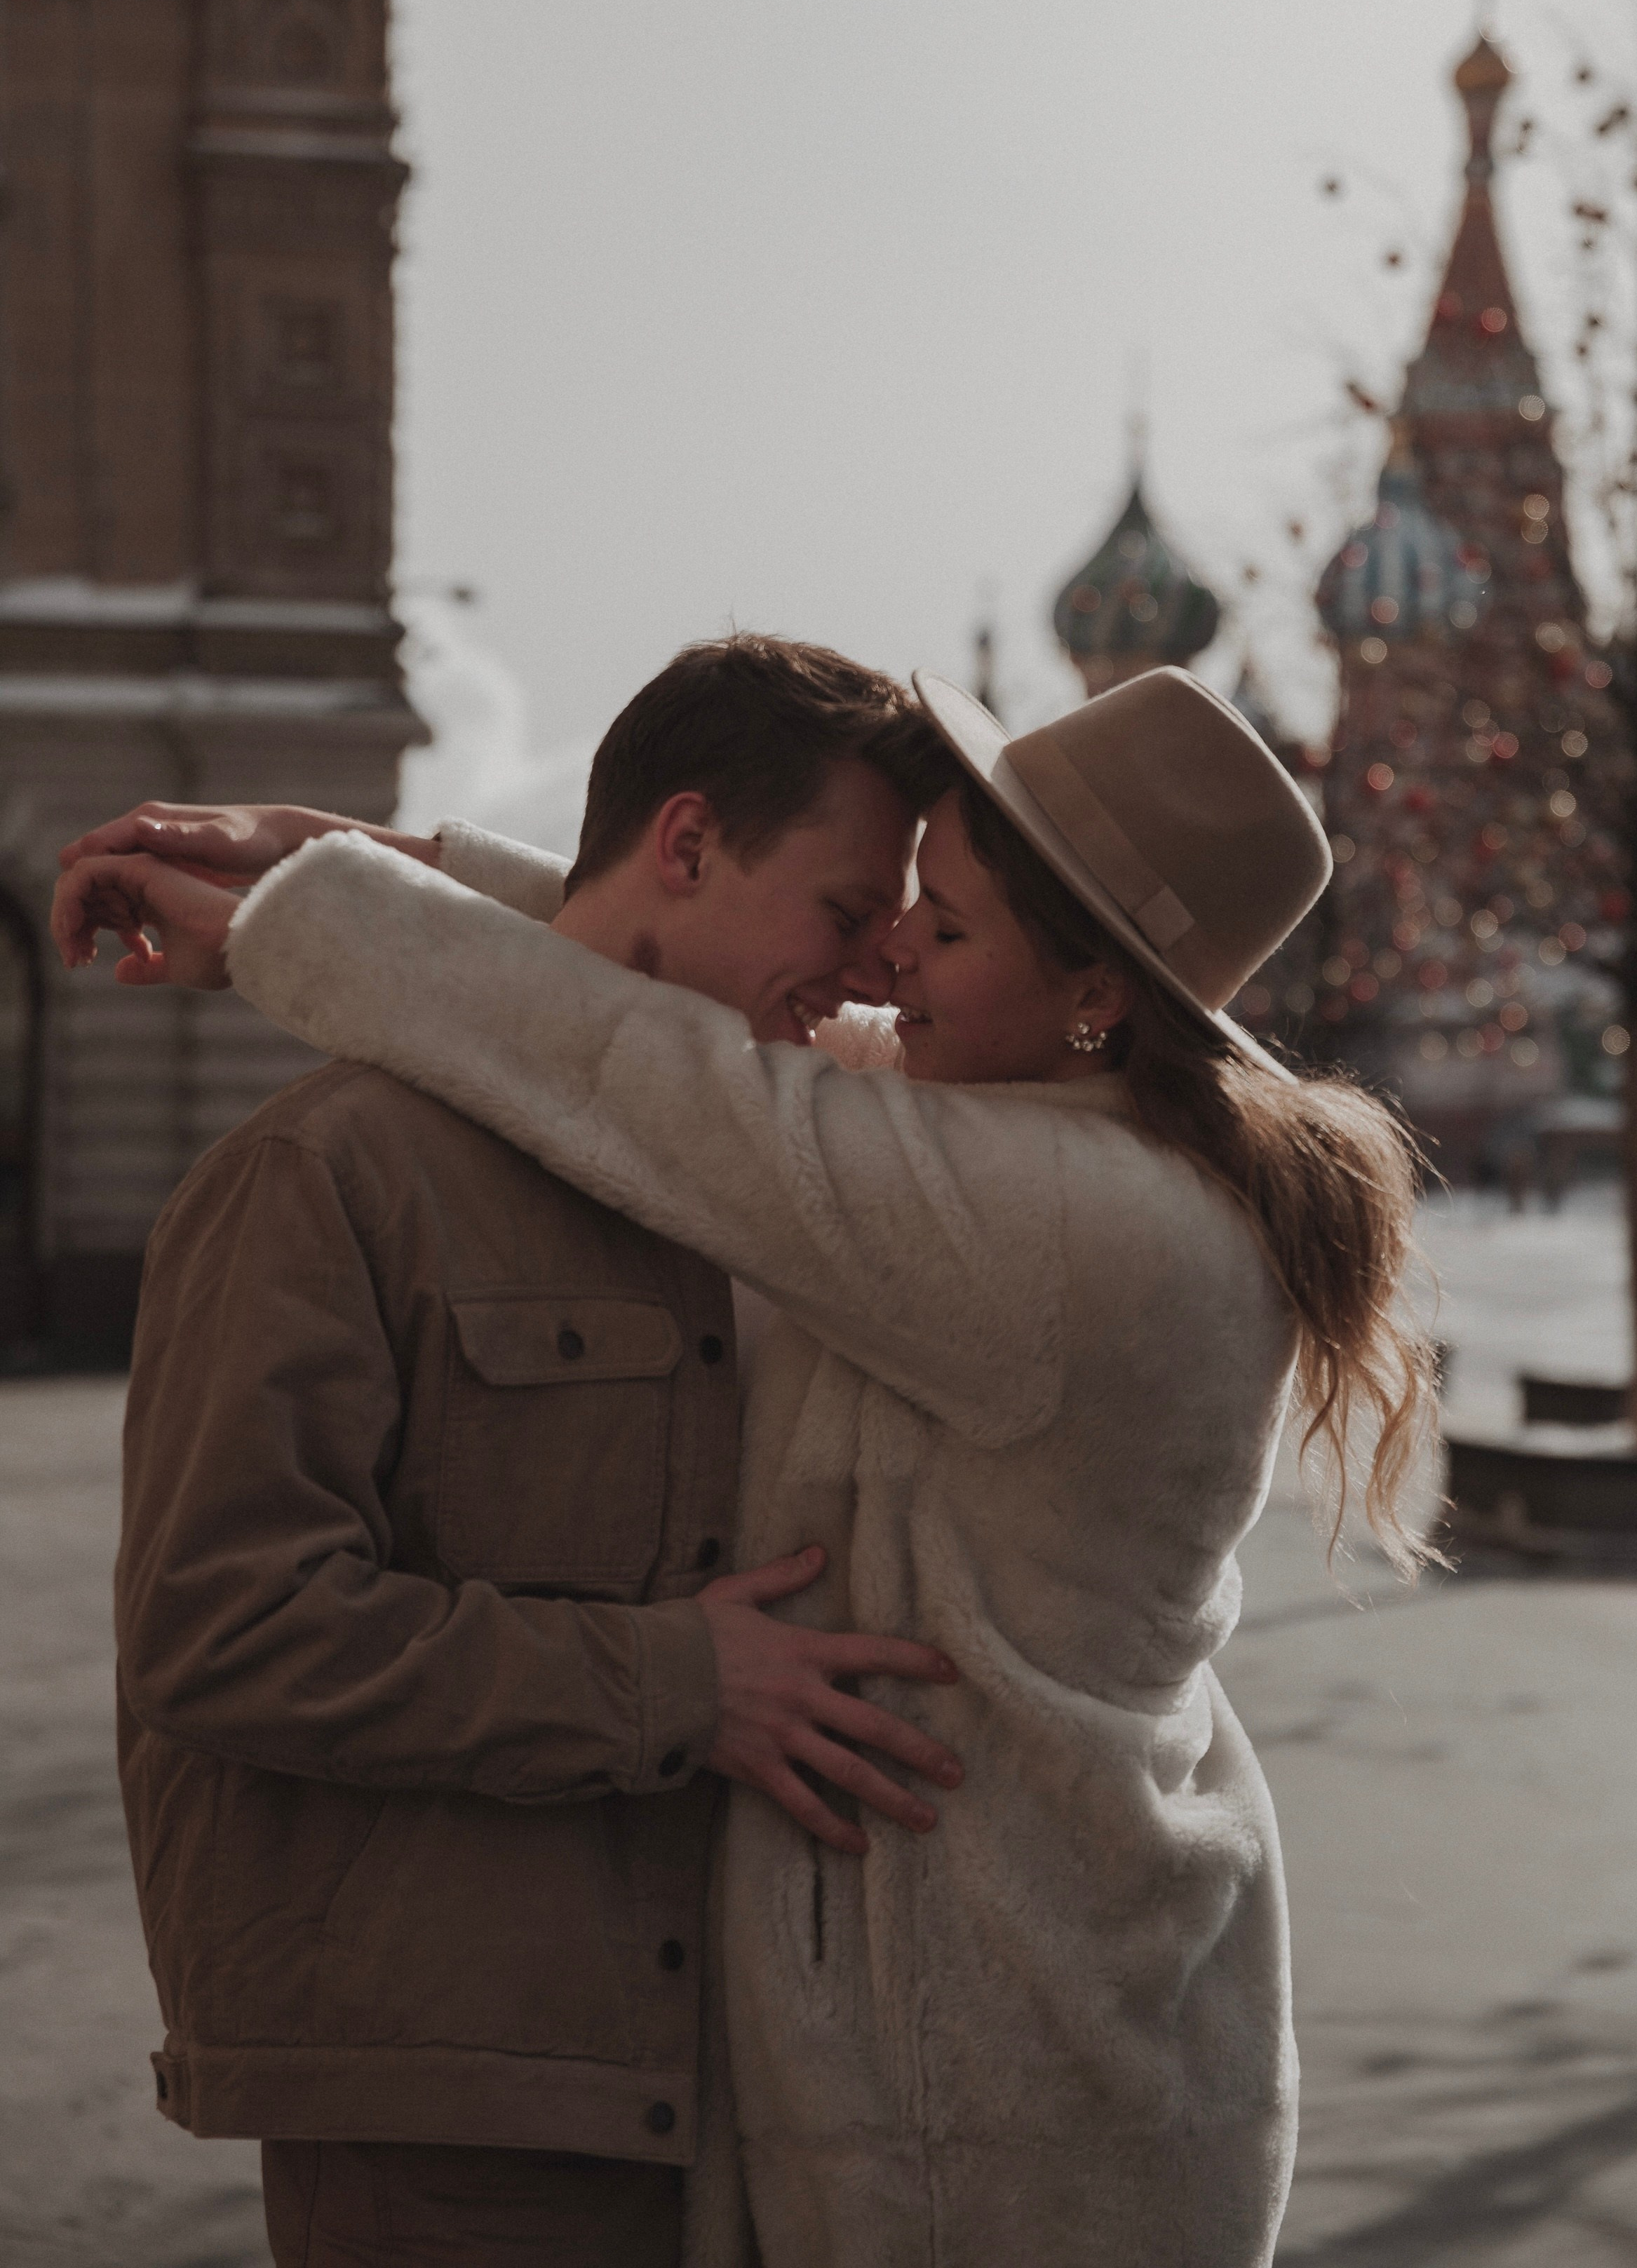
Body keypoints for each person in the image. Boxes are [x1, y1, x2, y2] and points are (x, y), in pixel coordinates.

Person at [57, 661, 1439, 2268]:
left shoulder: (1074, 1227)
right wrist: (347, 856)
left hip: (1016, 2096)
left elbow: (645, 1072)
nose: (886, 955)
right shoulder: (1051, 1126)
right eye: (883, 903)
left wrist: (307, 906)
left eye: (937, 923)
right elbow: (638, 981)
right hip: (975, 2050)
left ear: (1093, 997)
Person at [60, 637, 972, 2268]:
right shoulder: (327, 1176)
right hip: (452, 2119)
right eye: (846, 912)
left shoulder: (764, 1180)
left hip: (735, 2110)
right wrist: (677, 1685)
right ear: (687, 843)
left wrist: (345, 863)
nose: (866, 978)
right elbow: (222, 1631)